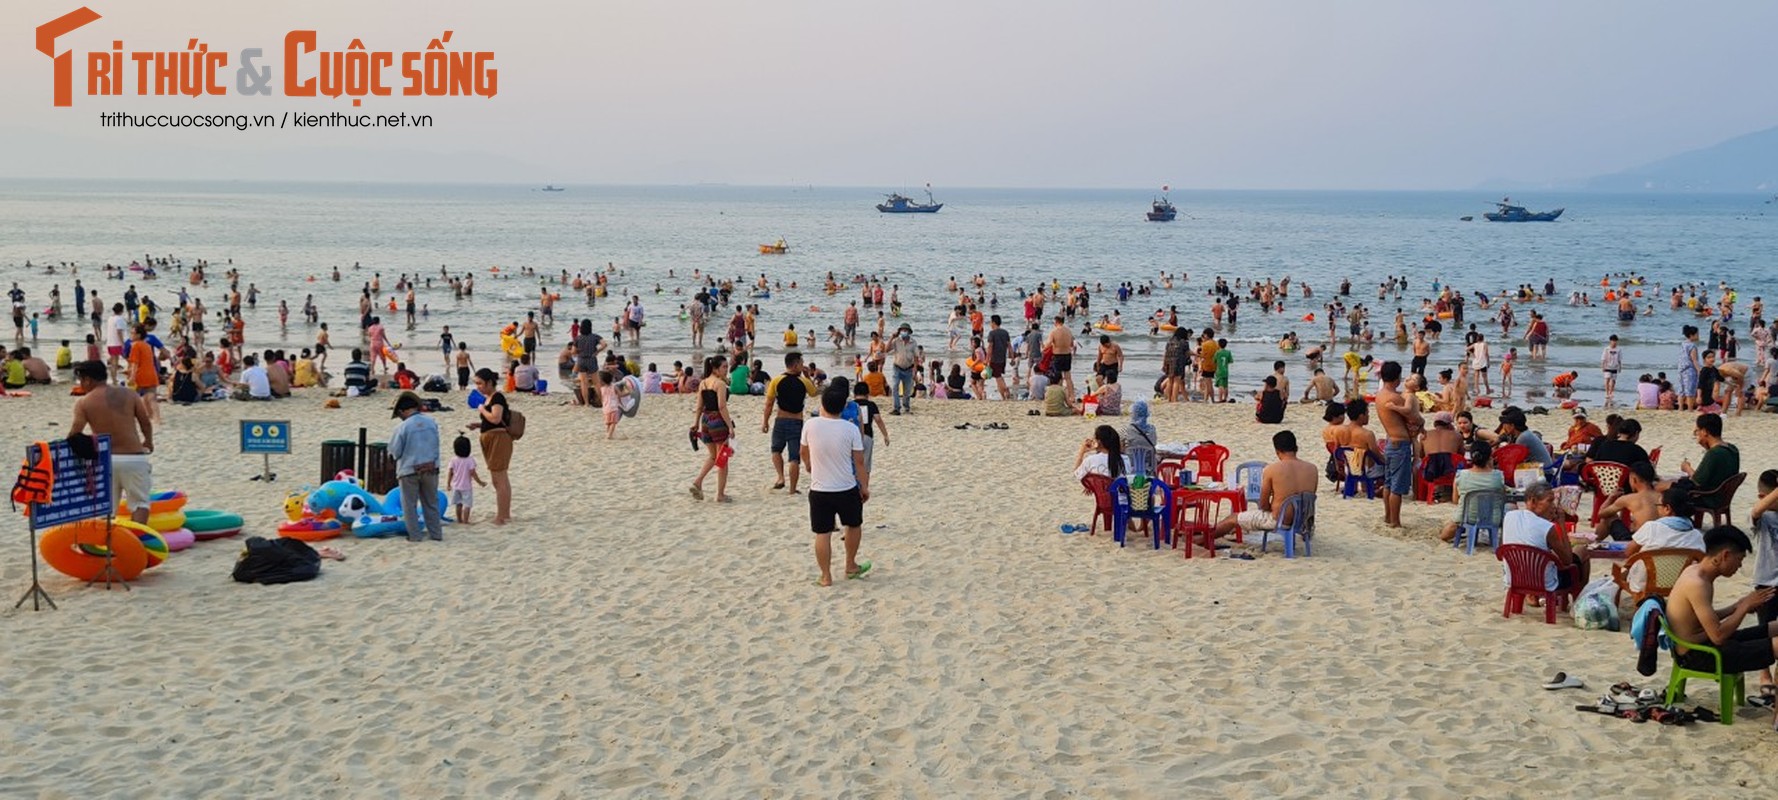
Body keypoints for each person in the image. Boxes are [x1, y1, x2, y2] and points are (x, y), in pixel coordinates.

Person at [1664, 526, 1778, 724]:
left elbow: (1703, 618)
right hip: (1699, 655)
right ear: (1725, 555)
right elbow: (1718, 636)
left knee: (1772, 628)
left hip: (1705, 643)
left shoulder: (1696, 572)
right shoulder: (1697, 584)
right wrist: (1743, 608)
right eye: (1739, 560)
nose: (1738, 567)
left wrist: (1737, 606)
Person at [801, 380, 871, 587]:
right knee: (853, 525)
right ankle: (850, 564)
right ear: (843, 407)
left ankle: (825, 576)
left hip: (820, 488)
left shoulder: (810, 425)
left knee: (822, 533)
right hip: (846, 487)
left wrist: (809, 466)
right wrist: (864, 486)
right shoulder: (850, 429)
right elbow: (859, 462)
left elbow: (803, 453)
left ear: (822, 403)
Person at [1207, 430, 1318, 551]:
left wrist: (1273, 507)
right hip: (1303, 521)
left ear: (1277, 451)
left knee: (1233, 518)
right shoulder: (1312, 469)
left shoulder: (1272, 469)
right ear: (1296, 448)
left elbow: (1263, 504)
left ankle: (1203, 540)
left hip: (1278, 521)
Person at [1500, 481, 1586, 589]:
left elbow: (1502, 548)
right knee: (1581, 553)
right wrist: (1562, 525)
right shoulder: (1547, 527)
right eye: (1549, 501)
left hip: (1514, 579)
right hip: (1544, 583)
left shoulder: (1509, 516)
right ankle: (1578, 598)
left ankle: (1532, 597)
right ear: (1533, 501)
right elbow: (1567, 560)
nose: (1553, 506)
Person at [1623, 487, 1707, 595]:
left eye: (1658, 506)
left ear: (1667, 508)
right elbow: (1702, 562)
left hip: (1645, 585)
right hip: (1680, 587)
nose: (1657, 509)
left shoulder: (1651, 528)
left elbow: (1629, 552)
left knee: (1624, 569)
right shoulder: (1696, 535)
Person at [387, 391, 444, 542]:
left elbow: (395, 452)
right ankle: (436, 534)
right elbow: (436, 445)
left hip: (409, 470)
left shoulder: (402, 427)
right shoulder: (432, 422)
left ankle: (415, 536)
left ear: (402, 411)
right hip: (431, 468)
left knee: (409, 505)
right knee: (431, 503)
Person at [762, 352, 816, 493]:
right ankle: (792, 489)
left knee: (776, 450)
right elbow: (814, 392)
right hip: (796, 421)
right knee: (794, 458)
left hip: (780, 419)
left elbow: (769, 403)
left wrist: (765, 422)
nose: (803, 365)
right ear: (796, 364)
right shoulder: (803, 381)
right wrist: (807, 376)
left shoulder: (776, 380)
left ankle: (780, 478)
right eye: (801, 363)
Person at [1374, 361, 1417, 528]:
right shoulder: (1395, 398)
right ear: (1397, 378)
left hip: (1391, 441)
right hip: (1400, 443)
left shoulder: (1380, 395)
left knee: (1389, 483)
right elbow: (1414, 417)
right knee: (1397, 487)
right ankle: (1395, 521)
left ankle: (1387, 516)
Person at [469, 368, 513, 525]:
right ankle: (504, 514)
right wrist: (479, 424)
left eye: (480, 383)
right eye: (476, 383)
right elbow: (490, 421)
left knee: (499, 478)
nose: (478, 387)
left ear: (489, 382)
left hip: (499, 439)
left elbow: (496, 418)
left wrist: (481, 409)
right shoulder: (489, 398)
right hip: (491, 437)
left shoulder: (497, 397)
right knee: (499, 478)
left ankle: (502, 516)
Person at [1439, 442, 1506, 542]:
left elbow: (1455, 500)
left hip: (1466, 518)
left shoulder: (1461, 475)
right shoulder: (1498, 476)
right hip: (1493, 518)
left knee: (1446, 532)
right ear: (1489, 458)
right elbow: (1503, 497)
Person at [1593, 461, 1661, 541]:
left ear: (1634, 479)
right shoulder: (1662, 496)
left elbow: (1601, 514)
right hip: (1659, 540)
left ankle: (1594, 543)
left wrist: (1611, 497)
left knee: (1608, 517)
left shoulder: (1629, 498)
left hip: (1635, 542)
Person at [1674, 412, 1739, 495]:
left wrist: (1687, 468)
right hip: (1722, 495)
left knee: (1661, 486)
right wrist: (1706, 445)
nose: (1696, 434)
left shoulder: (1713, 453)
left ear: (1704, 432)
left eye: (1697, 431)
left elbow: (1697, 481)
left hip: (1708, 496)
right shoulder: (1732, 449)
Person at [850, 380, 889, 475]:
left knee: (852, 462)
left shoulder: (851, 405)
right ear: (868, 393)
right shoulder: (871, 405)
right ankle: (865, 486)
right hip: (867, 436)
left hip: (851, 436)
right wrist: (885, 435)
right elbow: (878, 419)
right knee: (865, 465)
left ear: (854, 394)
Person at [446, 434, 485, 524]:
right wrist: (480, 482)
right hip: (466, 487)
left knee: (458, 504)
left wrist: (448, 484)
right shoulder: (470, 460)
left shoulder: (453, 460)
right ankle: (466, 521)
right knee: (467, 505)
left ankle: (459, 520)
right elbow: (473, 473)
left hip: (456, 486)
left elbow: (450, 472)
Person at [1121, 399, 1158, 477]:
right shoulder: (1152, 430)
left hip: (1130, 470)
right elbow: (1154, 443)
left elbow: (1119, 447)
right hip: (1149, 471)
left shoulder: (1126, 430)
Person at [888, 324, 918, 414]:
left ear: (909, 332)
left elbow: (916, 356)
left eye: (906, 330)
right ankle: (896, 408)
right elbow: (886, 349)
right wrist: (891, 337)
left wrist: (915, 369)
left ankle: (906, 407)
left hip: (908, 368)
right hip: (897, 367)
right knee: (895, 387)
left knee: (907, 390)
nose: (904, 332)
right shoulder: (896, 341)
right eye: (902, 330)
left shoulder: (913, 342)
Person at [1601, 334, 1623, 407]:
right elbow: (1603, 358)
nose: (1614, 342)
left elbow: (1619, 359)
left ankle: (1611, 393)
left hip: (1615, 366)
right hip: (1607, 366)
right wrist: (1602, 366)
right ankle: (1607, 393)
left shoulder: (1618, 349)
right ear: (1610, 341)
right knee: (1607, 379)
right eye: (1613, 341)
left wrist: (1620, 367)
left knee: (1613, 381)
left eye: (1615, 341)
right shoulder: (1606, 349)